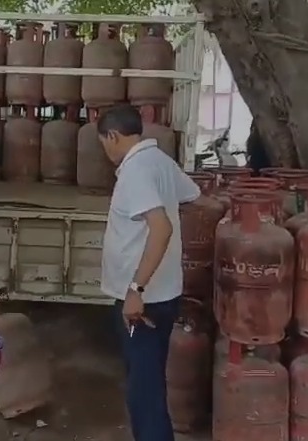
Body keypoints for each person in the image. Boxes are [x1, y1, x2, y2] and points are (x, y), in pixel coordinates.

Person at [97, 104, 200, 441]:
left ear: (113, 136)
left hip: (144, 301)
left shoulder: (136, 171)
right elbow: (192, 193)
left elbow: (161, 227)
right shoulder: (159, 161)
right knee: (149, 383)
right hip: (164, 293)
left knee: (144, 393)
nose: (105, 150)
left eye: (103, 142)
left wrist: (135, 289)